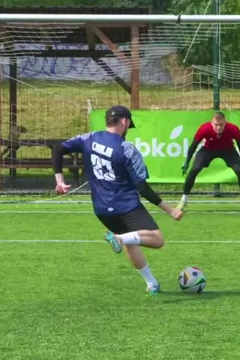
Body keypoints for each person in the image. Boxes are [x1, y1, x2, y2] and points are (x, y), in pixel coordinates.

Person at [52, 105, 183, 294]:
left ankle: (152, 283)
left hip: (101, 209)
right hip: (126, 206)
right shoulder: (127, 149)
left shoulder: (88, 138)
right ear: (124, 121)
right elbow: (142, 188)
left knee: (132, 241)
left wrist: (60, 181)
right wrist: (170, 210)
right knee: (157, 239)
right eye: (129, 125)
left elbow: (58, 149)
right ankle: (119, 238)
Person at [178, 112, 240, 213]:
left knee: (239, 171)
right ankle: (183, 200)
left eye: (221, 125)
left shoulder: (233, 129)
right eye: (216, 125)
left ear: (225, 123)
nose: (218, 127)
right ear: (212, 123)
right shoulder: (204, 129)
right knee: (195, 169)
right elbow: (193, 146)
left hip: (228, 150)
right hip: (208, 150)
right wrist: (187, 162)